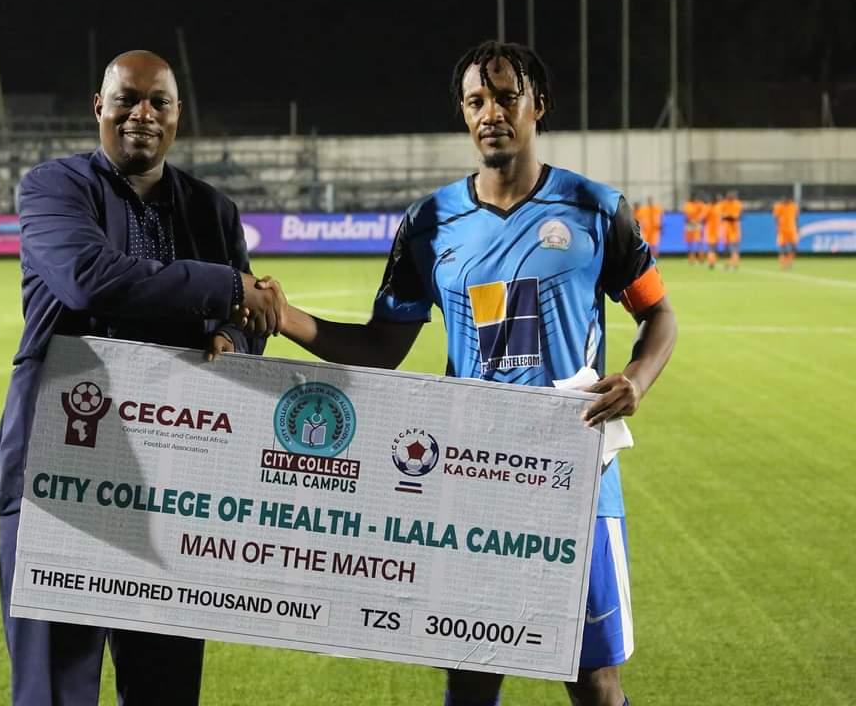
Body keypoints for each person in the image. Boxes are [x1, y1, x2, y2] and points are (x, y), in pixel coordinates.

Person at [235, 40, 677, 706]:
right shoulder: (429, 222)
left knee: (591, 678)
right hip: (472, 480)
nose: (490, 113)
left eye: (506, 97)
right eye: (476, 101)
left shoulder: (596, 208)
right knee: (470, 670)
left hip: (577, 475)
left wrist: (638, 377)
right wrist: (286, 316)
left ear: (538, 105)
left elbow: (659, 313)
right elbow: (382, 346)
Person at [0, 50, 283, 706]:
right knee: (54, 690)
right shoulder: (53, 188)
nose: (141, 113)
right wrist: (228, 286)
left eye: (158, 101)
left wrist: (234, 339)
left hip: (174, 481)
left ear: (177, 116)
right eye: (127, 98)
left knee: (165, 689)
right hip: (58, 470)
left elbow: (247, 326)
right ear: (100, 106)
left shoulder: (213, 211)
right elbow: (88, 279)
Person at [773, 195, 799, 270]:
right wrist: (776, 228)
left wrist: (797, 227)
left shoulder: (794, 206)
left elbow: (796, 218)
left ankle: (789, 262)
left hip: (792, 229)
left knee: (794, 247)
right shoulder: (778, 206)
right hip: (782, 230)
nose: (785, 201)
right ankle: (783, 264)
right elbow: (776, 218)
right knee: (783, 247)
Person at [719, 190, 743, 270]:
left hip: (734, 229)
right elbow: (722, 215)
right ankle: (729, 263)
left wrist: (729, 216)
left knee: (734, 247)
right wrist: (729, 216)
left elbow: (737, 216)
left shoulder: (737, 204)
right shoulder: (724, 204)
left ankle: (734, 264)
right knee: (728, 248)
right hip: (727, 229)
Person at [682, 194, 706, 265]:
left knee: (698, 242)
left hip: (695, 224)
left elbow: (703, 214)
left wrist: (697, 220)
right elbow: (686, 215)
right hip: (691, 225)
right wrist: (693, 220)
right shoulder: (688, 205)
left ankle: (700, 258)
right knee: (691, 242)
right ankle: (692, 258)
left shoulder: (699, 204)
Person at [703, 195, 723, 269]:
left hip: (710, 229)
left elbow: (703, 218)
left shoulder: (708, 207)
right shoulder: (718, 207)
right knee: (714, 247)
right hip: (717, 230)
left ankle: (711, 262)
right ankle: (713, 261)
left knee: (711, 247)